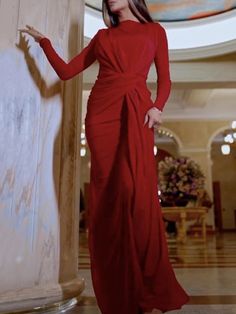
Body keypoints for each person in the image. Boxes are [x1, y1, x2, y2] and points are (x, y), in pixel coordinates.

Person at [18, 0, 190, 313]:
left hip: (137, 109)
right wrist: (42, 43)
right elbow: (67, 72)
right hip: (101, 113)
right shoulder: (102, 37)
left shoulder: (155, 31)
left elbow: (165, 78)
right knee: (109, 194)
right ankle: (119, 284)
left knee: (133, 191)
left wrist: (158, 105)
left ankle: (145, 282)